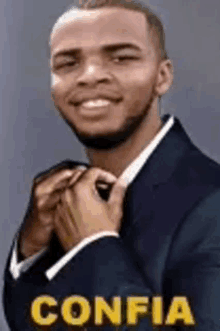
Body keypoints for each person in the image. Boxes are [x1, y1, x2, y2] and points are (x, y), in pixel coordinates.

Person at [3, 0, 220, 330]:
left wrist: (95, 248)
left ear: (162, 77)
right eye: (67, 62)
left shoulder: (212, 205)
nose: (89, 76)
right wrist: (30, 251)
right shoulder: (66, 201)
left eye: (121, 57)